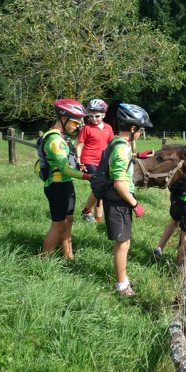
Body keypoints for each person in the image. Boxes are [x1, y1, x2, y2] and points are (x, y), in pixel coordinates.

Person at [103, 103, 153, 297]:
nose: (141, 134)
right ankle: (122, 286)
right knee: (122, 243)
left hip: (116, 199)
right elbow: (119, 183)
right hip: (119, 200)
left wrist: (138, 155)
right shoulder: (122, 149)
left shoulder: (117, 143)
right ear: (133, 129)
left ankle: (122, 279)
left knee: (124, 242)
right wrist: (135, 204)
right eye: (140, 130)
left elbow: (120, 160)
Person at [42, 98, 93, 259]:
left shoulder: (63, 137)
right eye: (75, 123)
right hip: (56, 186)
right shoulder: (54, 140)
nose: (78, 126)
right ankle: (46, 259)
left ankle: (68, 255)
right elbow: (64, 169)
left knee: (68, 220)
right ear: (63, 118)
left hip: (66, 184)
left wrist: (80, 167)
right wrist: (88, 176)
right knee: (57, 224)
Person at [77, 99, 114, 222]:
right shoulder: (87, 128)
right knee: (99, 186)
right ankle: (87, 211)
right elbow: (80, 144)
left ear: (103, 114)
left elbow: (111, 145)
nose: (94, 119)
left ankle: (98, 217)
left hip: (103, 161)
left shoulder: (108, 128)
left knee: (103, 188)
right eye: (91, 116)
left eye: (97, 116)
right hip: (89, 160)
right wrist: (78, 160)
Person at [153, 179, 186, 266]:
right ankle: (181, 263)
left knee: (174, 221)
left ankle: (159, 248)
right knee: (185, 230)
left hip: (175, 195)